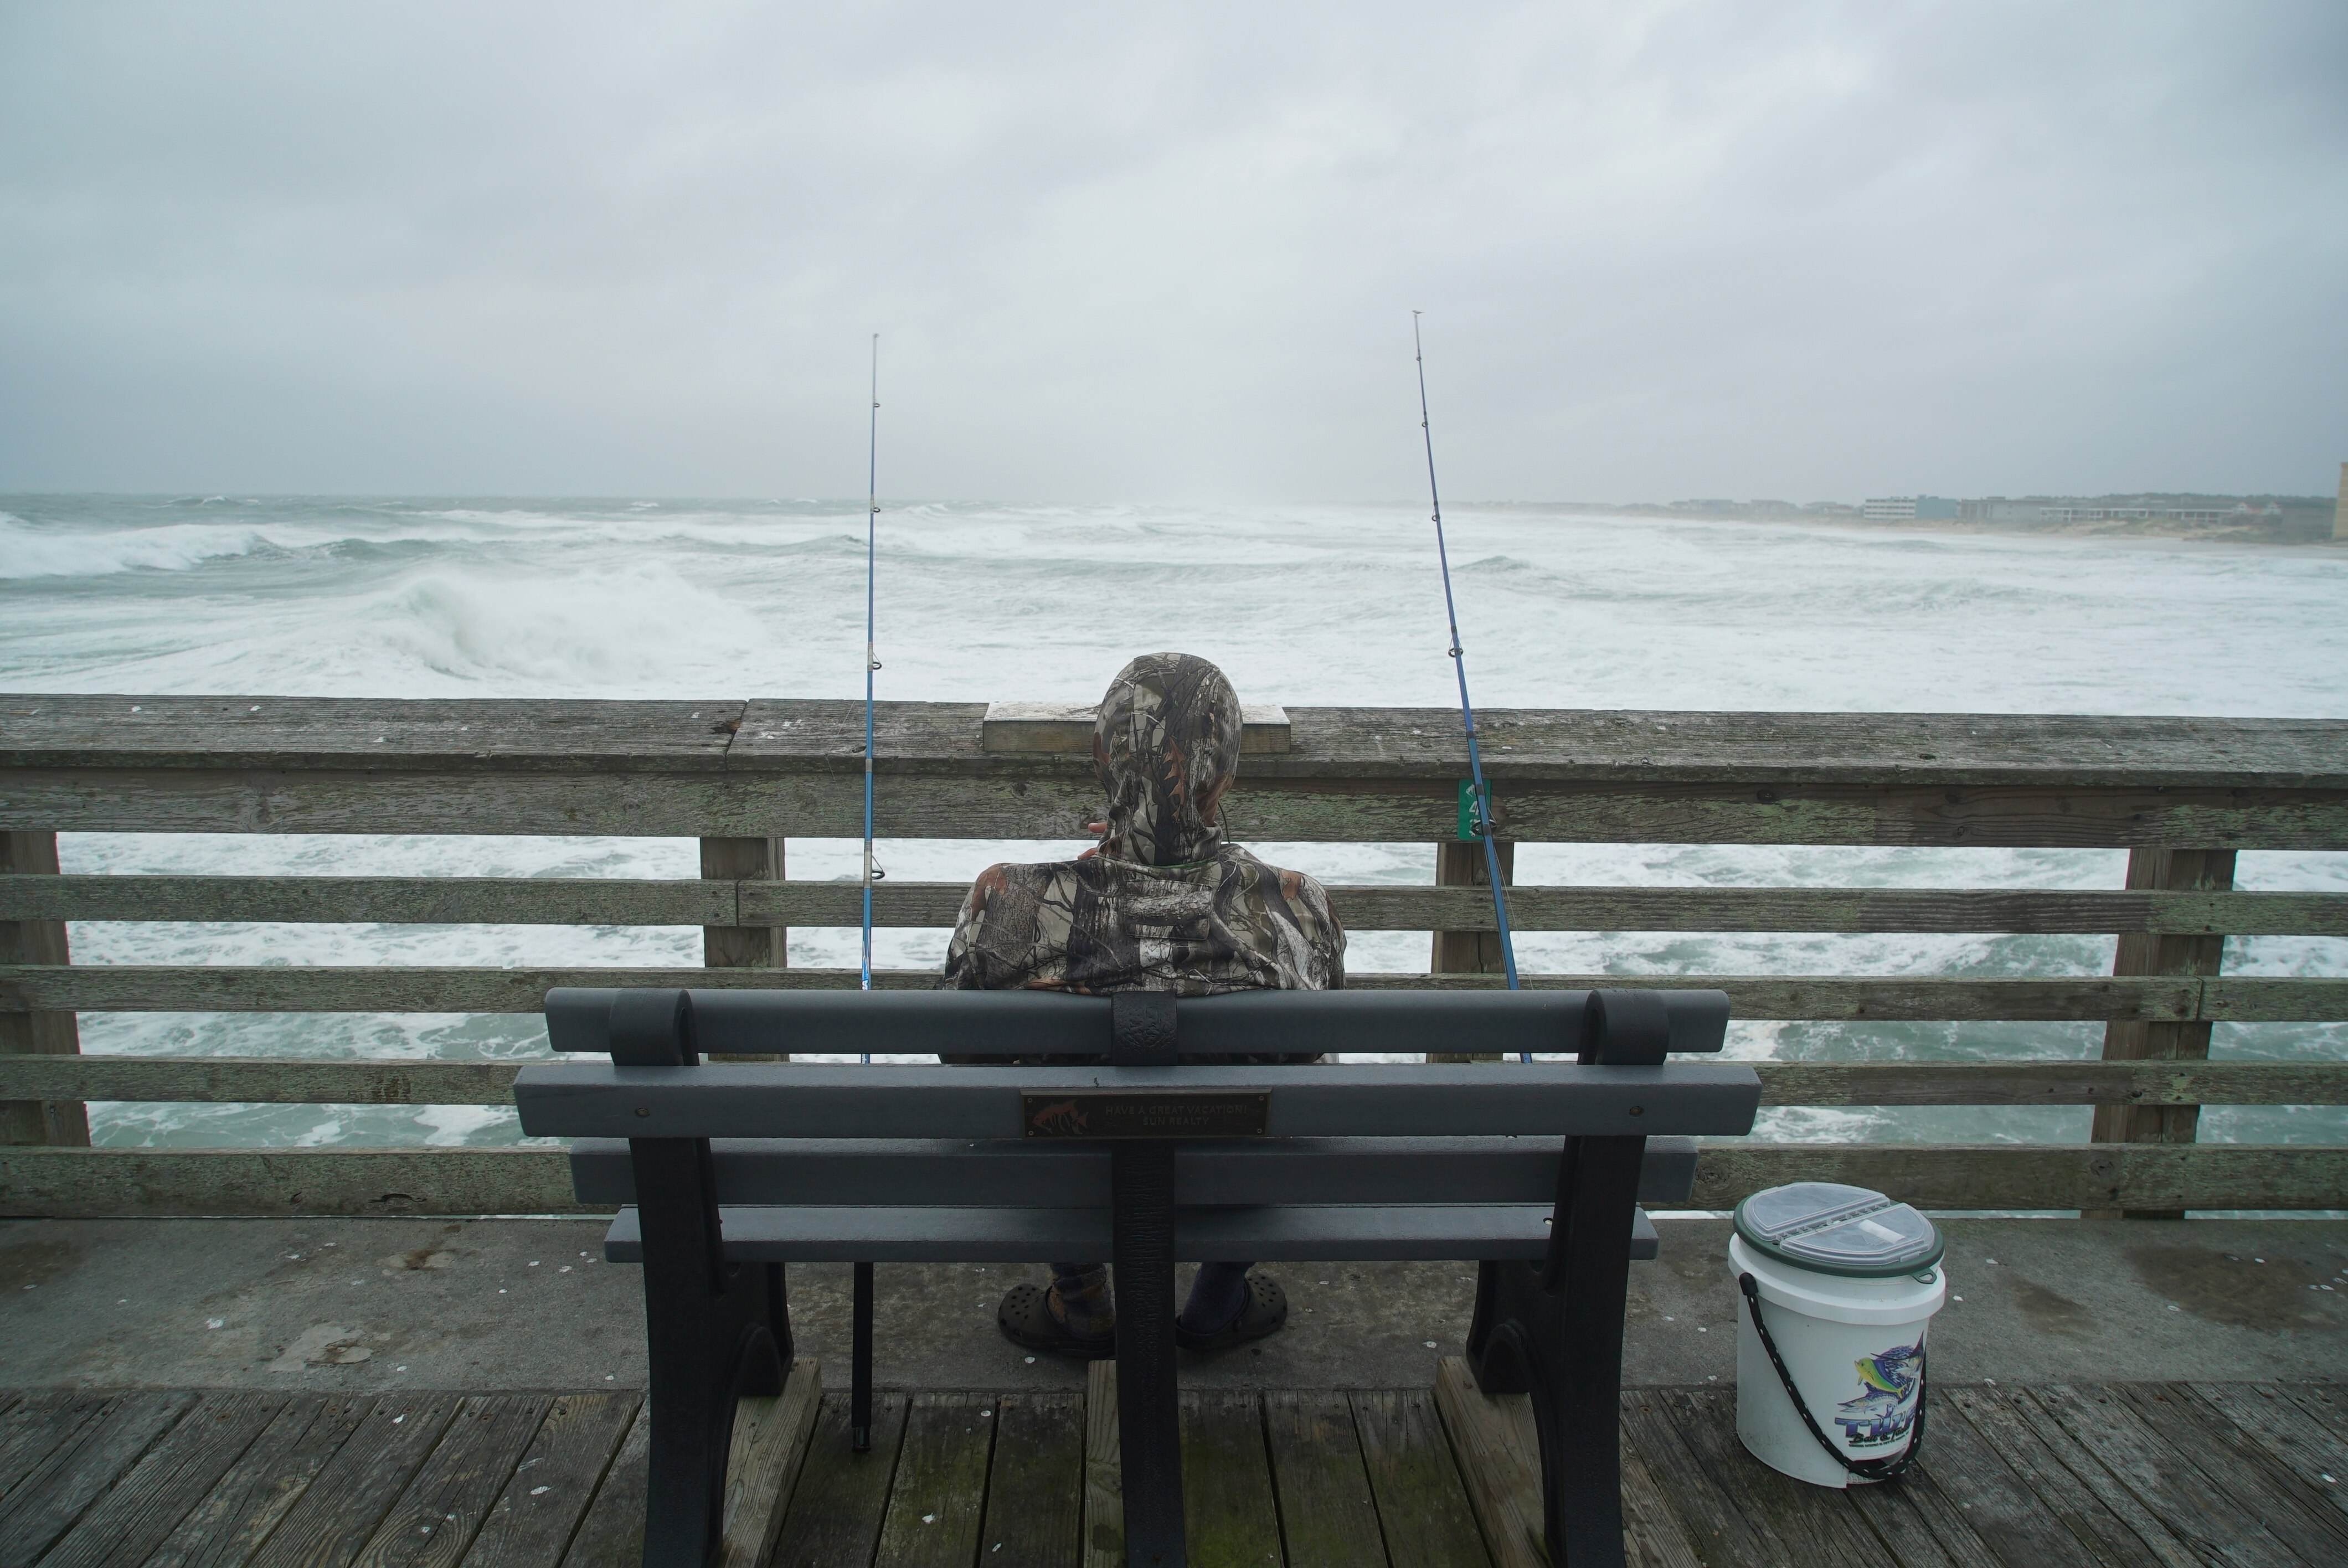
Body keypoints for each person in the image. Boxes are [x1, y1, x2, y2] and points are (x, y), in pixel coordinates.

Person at [941, 652, 1346, 1357]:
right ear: (1224, 775)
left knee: (1022, 1102)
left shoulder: (1009, 899)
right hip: (1238, 1176)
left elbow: (960, 1053)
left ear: (1102, 760)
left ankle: (1084, 1302)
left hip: (1065, 1175)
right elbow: (1312, 1054)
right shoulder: (1297, 906)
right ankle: (1217, 1304)